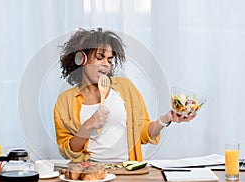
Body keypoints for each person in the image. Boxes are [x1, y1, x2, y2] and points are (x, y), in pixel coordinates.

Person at [54, 28, 196, 162]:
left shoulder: (126, 88)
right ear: (81, 59)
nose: (106, 64)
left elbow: (143, 133)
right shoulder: (65, 100)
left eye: (109, 60)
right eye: (100, 57)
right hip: (88, 170)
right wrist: (87, 126)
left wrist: (166, 119)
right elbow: (67, 151)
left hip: (126, 169)